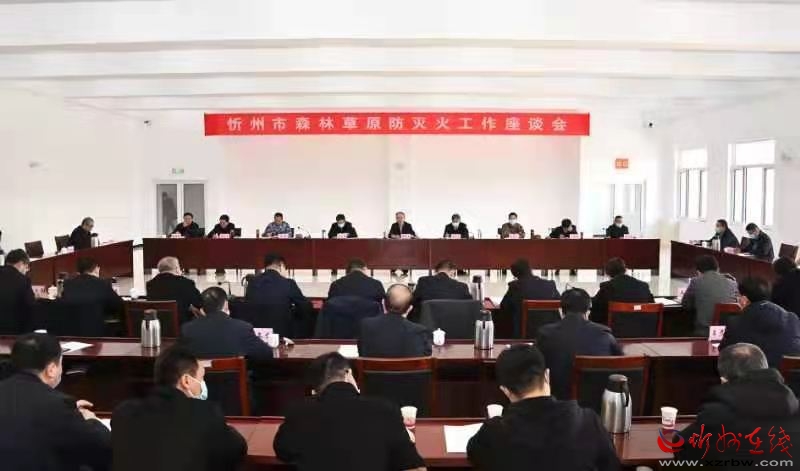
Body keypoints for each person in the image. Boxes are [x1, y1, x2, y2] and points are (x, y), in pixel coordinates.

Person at [466, 344, 619, 471]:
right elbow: (612, 465)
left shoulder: (493, 434)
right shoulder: (588, 421)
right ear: (547, 375)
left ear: (505, 390)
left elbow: (474, 453)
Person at [274, 352, 426, 471]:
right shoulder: (384, 409)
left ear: (315, 387)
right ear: (348, 374)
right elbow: (414, 466)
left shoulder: (299, 412)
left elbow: (283, 451)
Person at [112, 345, 247, 471]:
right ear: (186, 381)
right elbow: (237, 448)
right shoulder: (206, 413)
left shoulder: (123, 413)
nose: (202, 384)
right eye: (201, 378)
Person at [675, 343, 800, 468]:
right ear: (765, 368)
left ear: (724, 380)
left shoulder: (716, 415)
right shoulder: (794, 407)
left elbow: (681, 445)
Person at [0, 333, 111, 470]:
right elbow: (101, 447)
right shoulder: (57, 405)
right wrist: (91, 420)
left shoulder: (58, 406)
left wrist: (69, 412)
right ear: (51, 369)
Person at [537, 288, 623, 400]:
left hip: (557, 404)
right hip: (597, 405)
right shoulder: (605, 335)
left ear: (560, 311)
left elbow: (535, 368)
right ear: (588, 312)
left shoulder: (545, 334)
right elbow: (621, 364)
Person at [719, 276, 800, 367]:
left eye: (737, 295)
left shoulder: (735, 322)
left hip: (755, 374)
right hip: (792, 374)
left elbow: (725, 352)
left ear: (744, 299)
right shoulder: (792, 318)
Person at [180, 287, 273, 360]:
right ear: (226, 305)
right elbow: (266, 353)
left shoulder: (187, 329)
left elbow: (179, 358)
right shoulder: (242, 328)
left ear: (202, 311)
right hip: (236, 379)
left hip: (200, 378)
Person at [245, 253, 313, 334]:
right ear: (281, 265)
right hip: (281, 334)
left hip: (256, 333)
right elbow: (305, 306)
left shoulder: (252, 283)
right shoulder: (288, 283)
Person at [358, 284, 432, 358]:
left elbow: (361, 353)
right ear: (409, 309)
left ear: (383, 303)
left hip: (373, 366)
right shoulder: (420, 331)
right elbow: (426, 357)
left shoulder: (366, 326)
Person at [500, 258, 560, 338]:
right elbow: (559, 304)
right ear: (530, 269)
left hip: (525, 336)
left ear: (515, 274)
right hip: (550, 336)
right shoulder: (550, 285)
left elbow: (504, 307)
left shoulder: (515, 287)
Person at [682, 254, 739, 336]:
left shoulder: (696, 281)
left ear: (698, 272)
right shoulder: (732, 283)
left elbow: (686, 305)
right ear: (718, 269)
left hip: (704, 332)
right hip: (727, 333)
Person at [591, 257, 654, 325]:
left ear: (607, 273)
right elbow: (652, 308)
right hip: (643, 329)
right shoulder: (643, 286)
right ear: (625, 270)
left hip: (614, 330)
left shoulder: (607, 287)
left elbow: (594, 314)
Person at [146, 256, 203, 323]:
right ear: (176, 268)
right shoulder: (186, 282)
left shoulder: (150, 284)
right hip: (181, 324)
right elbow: (199, 303)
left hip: (158, 324)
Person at [0, 249, 35, 334]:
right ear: (21, 263)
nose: (27, 270)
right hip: (13, 332)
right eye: (27, 266)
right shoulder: (23, 280)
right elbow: (31, 307)